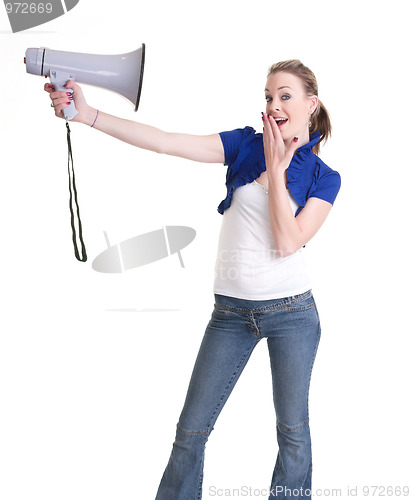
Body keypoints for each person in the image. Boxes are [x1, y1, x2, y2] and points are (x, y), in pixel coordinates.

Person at [46, 59, 341, 499]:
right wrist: (87, 115)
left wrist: (278, 172)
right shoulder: (245, 145)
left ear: (309, 104)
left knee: (292, 432)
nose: (274, 104)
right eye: (268, 96)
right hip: (230, 313)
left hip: (293, 314)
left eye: (285, 96)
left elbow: (287, 242)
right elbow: (166, 142)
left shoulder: (324, 178)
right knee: (191, 431)